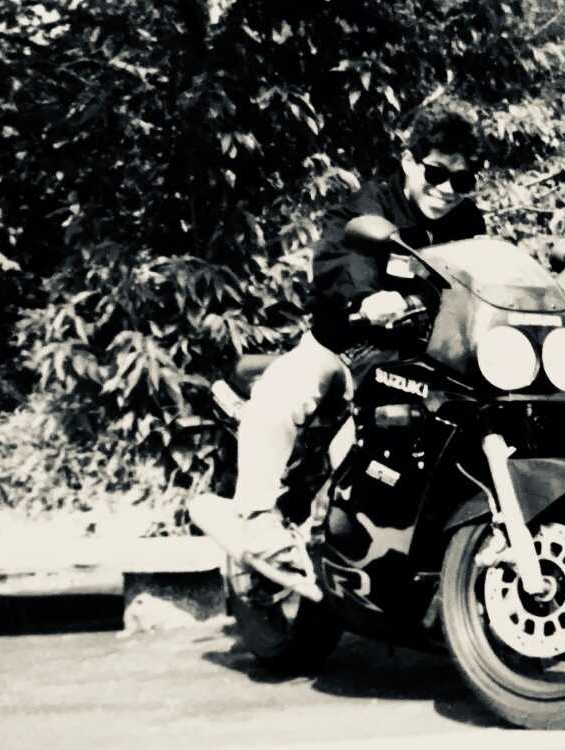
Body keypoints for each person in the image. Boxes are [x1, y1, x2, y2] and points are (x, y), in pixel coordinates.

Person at [199, 107, 489, 597]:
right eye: (436, 173)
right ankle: (257, 519)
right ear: (409, 161)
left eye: (461, 180)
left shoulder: (468, 222)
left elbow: (486, 272)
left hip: (416, 363)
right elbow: (341, 261)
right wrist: (366, 298)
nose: (446, 189)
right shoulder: (368, 208)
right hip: (344, 346)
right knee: (282, 394)